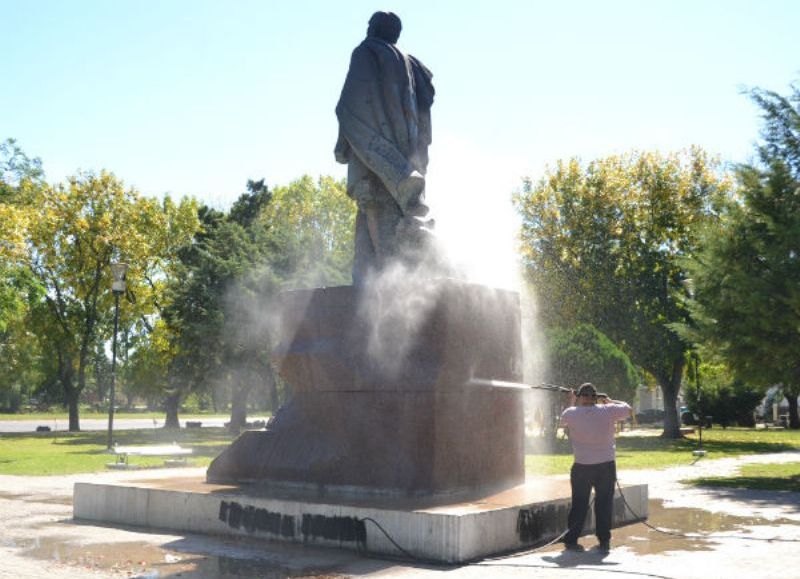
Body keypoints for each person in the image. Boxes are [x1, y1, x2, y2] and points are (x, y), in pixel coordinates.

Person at [334, 11, 435, 283]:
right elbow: (425, 118)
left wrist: (343, 144)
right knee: (392, 213)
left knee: (373, 208)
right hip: (405, 158)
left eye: (369, 25)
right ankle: (392, 276)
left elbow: (351, 106)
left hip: (372, 154)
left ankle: (381, 280)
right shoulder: (413, 66)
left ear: (375, 28)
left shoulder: (366, 52)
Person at [559, 382, 632, 553]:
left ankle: (571, 540)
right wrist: (610, 401)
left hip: (581, 466)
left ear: (580, 397)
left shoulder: (571, 412)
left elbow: (563, 421)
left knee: (579, 504)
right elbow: (628, 409)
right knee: (604, 504)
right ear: (595, 397)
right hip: (606, 466)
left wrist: (571, 400)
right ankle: (604, 541)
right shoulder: (608, 410)